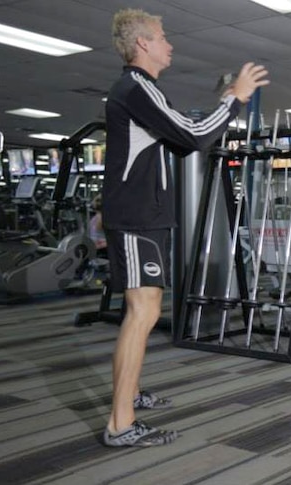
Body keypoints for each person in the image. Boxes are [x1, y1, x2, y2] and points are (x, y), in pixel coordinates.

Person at [102, 8, 269, 448]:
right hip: (137, 216)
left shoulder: (142, 91)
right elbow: (194, 135)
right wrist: (234, 99)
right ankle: (121, 423)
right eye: (162, 37)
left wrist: (224, 102)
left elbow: (179, 143)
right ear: (142, 44)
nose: (169, 44)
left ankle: (130, 394)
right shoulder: (136, 88)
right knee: (144, 313)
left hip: (143, 214)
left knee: (139, 311)